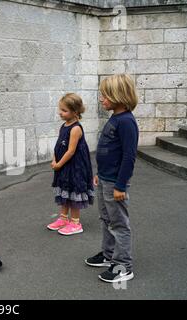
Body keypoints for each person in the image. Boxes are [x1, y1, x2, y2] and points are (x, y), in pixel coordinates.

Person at [85, 73, 138, 283]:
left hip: (115, 183)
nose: (101, 99)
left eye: (105, 95)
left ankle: (123, 265)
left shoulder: (126, 122)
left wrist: (120, 185)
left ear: (119, 96)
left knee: (119, 223)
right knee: (106, 219)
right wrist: (99, 173)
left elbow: (129, 156)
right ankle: (108, 255)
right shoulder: (115, 118)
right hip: (105, 179)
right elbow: (110, 151)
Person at [46, 93, 94, 235]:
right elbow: (59, 146)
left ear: (75, 112)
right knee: (65, 190)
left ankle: (75, 222)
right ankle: (63, 219)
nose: (60, 113)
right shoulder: (64, 125)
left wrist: (59, 164)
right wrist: (55, 159)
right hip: (64, 166)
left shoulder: (75, 128)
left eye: (64, 110)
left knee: (74, 191)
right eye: (60, 109)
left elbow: (71, 151)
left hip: (75, 167)